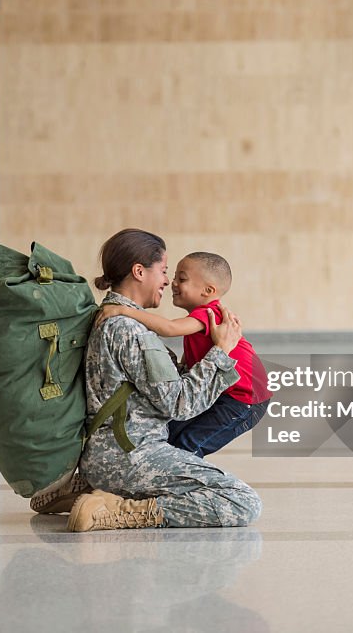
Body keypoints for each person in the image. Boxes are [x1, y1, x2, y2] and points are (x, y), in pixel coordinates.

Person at [64, 228, 262, 532]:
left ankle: (87, 491)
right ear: (139, 271)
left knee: (188, 455)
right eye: (165, 271)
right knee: (241, 500)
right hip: (129, 457)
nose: (168, 281)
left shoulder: (110, 317)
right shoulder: (128, 329)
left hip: (110, 454)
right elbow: (181, 405)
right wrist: (222, 351)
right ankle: (121, 509)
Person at [97, 251, 271, 457]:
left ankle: (180, 479)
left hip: (244, 400)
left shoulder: (208, 314)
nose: (173, 283)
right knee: (173, 436)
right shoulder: (199, 319)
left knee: (189, 445)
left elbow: (169, 328)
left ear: (208, 290)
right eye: (174, 277)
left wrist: (124, 311)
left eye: (182, 279)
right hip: (227, 394)